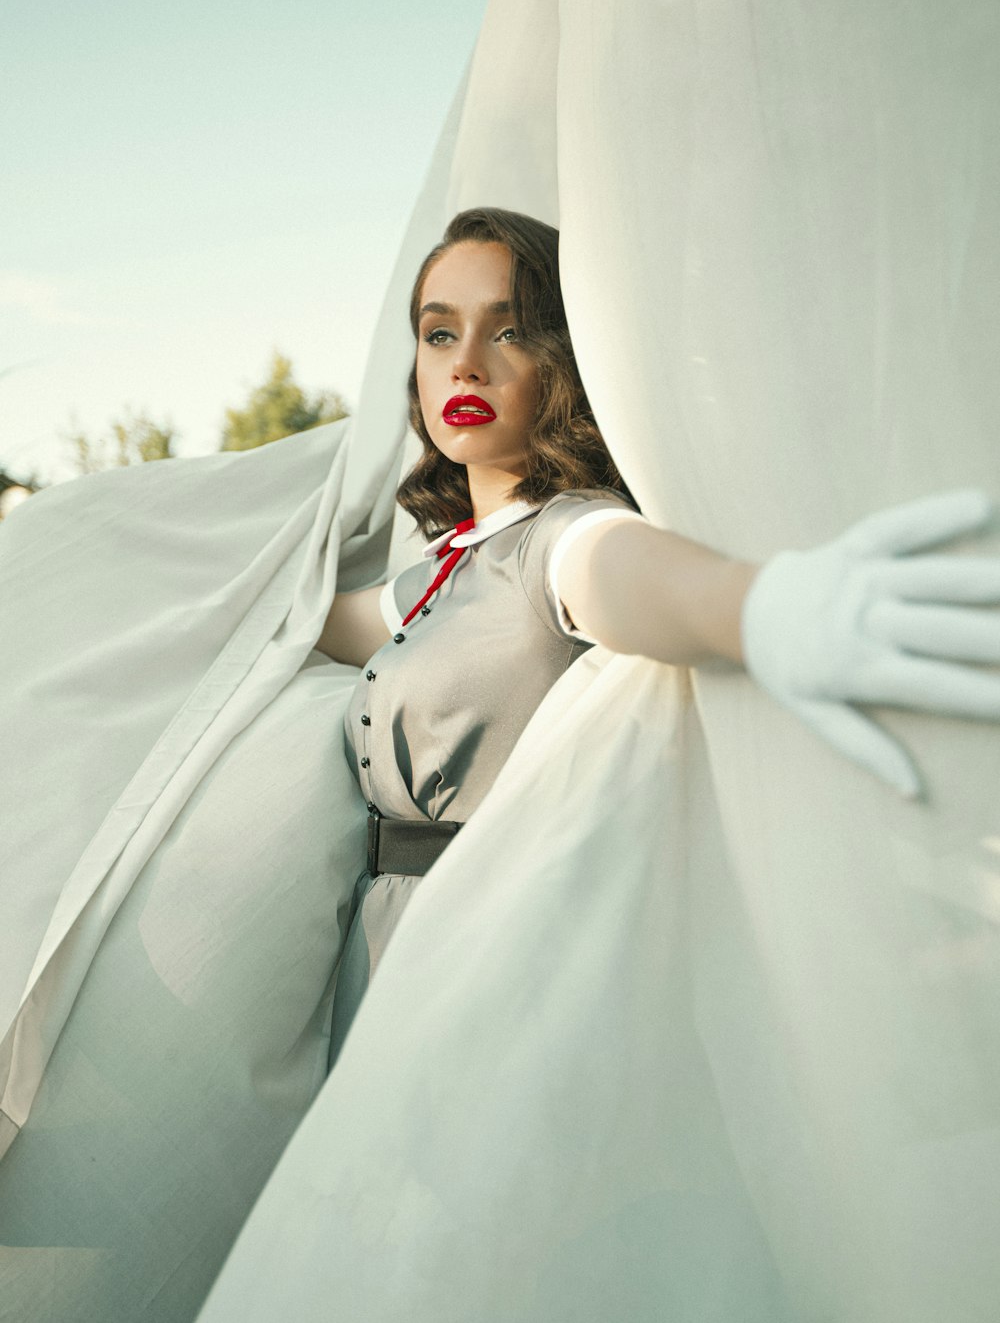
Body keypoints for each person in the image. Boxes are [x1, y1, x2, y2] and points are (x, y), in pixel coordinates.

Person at [308, 204, 1000, 1068]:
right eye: (439, 334)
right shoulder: (443, 569)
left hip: (492, 959)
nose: (468, 365)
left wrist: (754, 607)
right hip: (384, 949)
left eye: (510, 329)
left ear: (561, 357)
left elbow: (614, 570)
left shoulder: (558, 534)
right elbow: (313, 622)